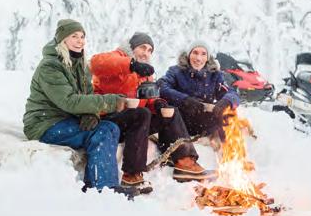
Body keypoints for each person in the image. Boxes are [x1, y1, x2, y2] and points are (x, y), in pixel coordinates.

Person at [90, 32, 217, 183]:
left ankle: (185, 162)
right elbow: (95, 63)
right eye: (143, 48)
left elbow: (148, 97)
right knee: (142, 114)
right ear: (132, 47)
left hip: (133, 121)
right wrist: (131, 65)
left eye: (150, 50)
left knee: (170, 112)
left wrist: (158, 103)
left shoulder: (145, 72)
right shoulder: (117, 57)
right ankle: (132, 174)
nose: (146, 53)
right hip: (109, 118)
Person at [23, 18, 130, 194]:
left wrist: (92, 115)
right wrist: (110, 102)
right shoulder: (50, 66)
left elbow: (87, 96)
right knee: (101, 132)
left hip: (66, 120)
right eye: (74, 36)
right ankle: (102, 187)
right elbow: (69, 101)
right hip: (44, 124)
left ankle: (99, 182)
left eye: (82, 36)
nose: (80, 41)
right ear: (62, 39)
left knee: (110, 127)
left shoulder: (79, 64)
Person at [157, 40, 240, 142]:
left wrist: (225, 102)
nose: (198, 58)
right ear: (188, 55)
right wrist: (185, 100)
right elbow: (162, 87)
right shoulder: (176, 71)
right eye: (195, 53)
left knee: (229, 112)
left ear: (207, 58)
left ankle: (228, 149)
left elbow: (232, 93)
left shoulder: (215, 75)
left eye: (203, 54)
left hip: (204, 122)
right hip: (180, 121)